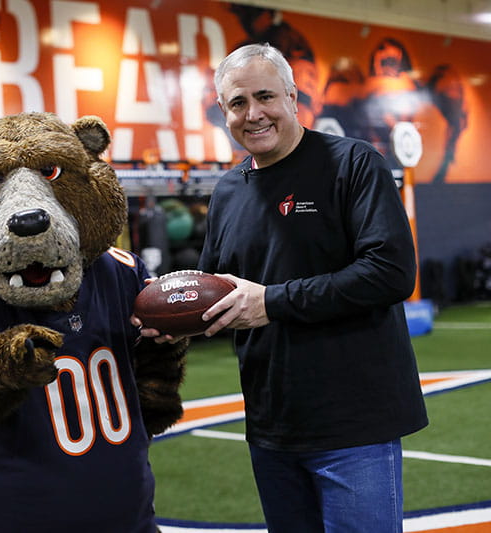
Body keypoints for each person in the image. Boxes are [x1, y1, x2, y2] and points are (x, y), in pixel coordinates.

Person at [136, 42, 428, 532]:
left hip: (355, 425)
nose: (254, 114)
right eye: (238, 103)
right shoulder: (229, 191)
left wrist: (271, 302)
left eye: (266, 97)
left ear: (294, 97)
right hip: (272, 427)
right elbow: (213, 291)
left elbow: (391, 272)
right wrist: (169, 321)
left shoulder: (354, 164)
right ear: (223, 112)